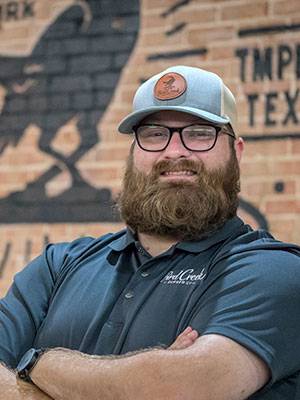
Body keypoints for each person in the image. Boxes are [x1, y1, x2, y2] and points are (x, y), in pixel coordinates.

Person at [0, 65, 300, 400]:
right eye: (154, 134)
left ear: (236, 153)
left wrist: (38, 364)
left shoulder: (274, 271)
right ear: (133, 154)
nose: (174, 152)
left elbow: (178, 389)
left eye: (200, 133)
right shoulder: (59, 265)